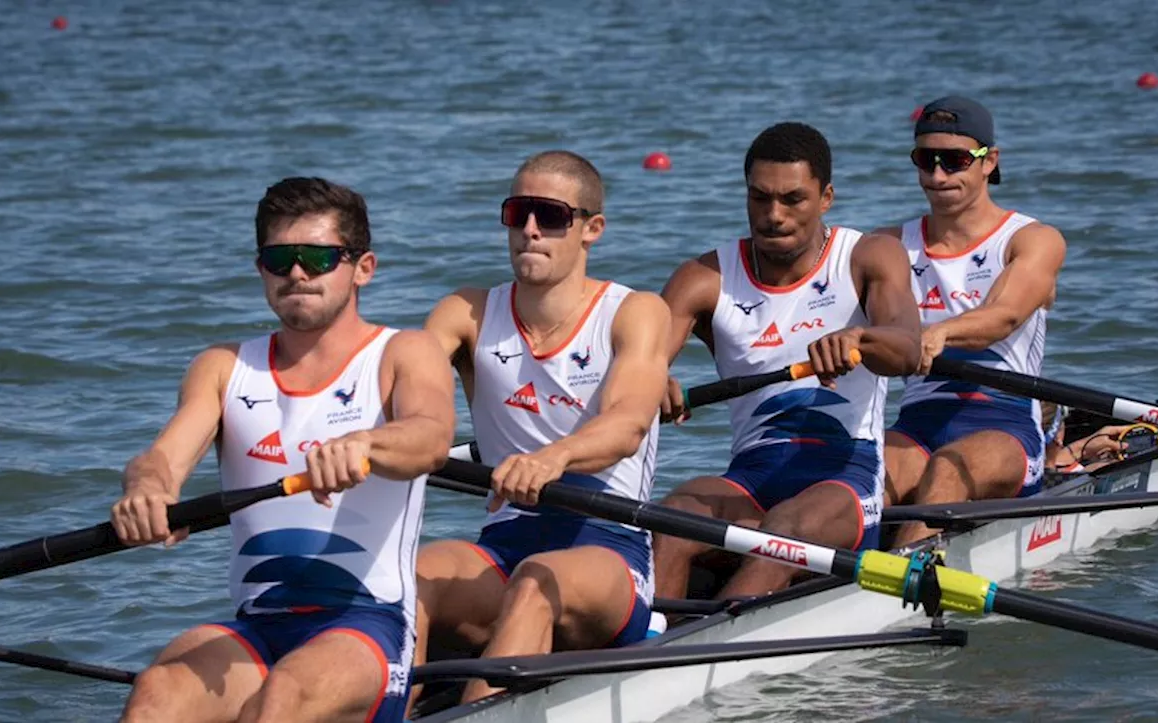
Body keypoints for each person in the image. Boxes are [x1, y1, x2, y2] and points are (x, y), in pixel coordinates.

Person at [112, 177, 456, 723]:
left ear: (363, 268)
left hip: (368, 625)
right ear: (261, 270)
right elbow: (160, 459)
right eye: (280, 258)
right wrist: (146, 492)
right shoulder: (224, 367)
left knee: (283, 697)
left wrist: (365, 442)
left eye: (318, 258)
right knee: (156, 693)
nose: (297, 273)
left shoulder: (404, 352)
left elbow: (430, 438)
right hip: (258, 625)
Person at [411, 151, 671, 706]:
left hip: (610, 550)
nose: (529, 230)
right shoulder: (466, 312)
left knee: (535, 581)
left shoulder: (634, 312)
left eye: (550, 216)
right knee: (412, 579)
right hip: (504, 541)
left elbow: (625, 427)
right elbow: (403, 395)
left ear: (590, 230)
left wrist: (553, 458)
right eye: (517, 213)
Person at [650, 121, 922, 603]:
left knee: (786, 529)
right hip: (750, 478)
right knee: (669, 521)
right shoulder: (704, 277)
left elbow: (907, 350)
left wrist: (862, 337)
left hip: (846, 479)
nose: (773, 215)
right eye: (759, 198)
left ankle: (707, 645)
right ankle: (652, 643)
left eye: (793, 199)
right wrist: (653, 383)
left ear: (826, 198)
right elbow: (637, 365)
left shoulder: (868, 257)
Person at [882, 96, 1068, 547]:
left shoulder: (1031, 240)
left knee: (947, 470)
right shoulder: (887, 245)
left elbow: (1002, 317)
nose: (939, 175)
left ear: (990, 162)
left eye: (956, 160)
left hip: (1004, 427)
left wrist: (939, 333)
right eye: (927, 160)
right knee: (853, 480)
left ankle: (896, 581)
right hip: (916, 424)